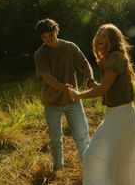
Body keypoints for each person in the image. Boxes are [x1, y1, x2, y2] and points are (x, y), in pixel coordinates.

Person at [69, 23, 135, 185]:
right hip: (115, 115)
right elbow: (107, 87)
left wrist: (78, 94)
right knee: (109, 162)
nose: (100, 36)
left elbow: (104, 89)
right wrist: (95, 86)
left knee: (105, 160)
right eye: (99, 33)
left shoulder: (114, 58)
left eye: (105, 35)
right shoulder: (111, 58)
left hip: (121, 117)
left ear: (112, 40)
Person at [34, 18, 96, 171]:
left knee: (82, 136)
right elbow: (46, 77)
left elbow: (85, 64)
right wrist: (62, 87)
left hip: (73, 99)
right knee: (56, 140)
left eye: (51, 35)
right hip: (51, 103)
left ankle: (89, 167)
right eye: (44, 38)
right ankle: (59, 169)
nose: (48, 40)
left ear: (57, 30)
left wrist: (90, 78)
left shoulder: (70, 47)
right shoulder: (40, 54)